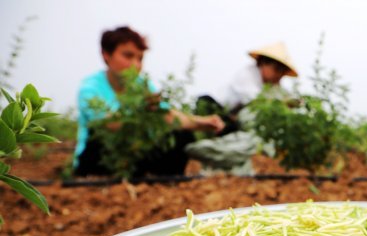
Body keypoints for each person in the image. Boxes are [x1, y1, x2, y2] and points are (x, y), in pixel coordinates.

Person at [73, 26, 225, 177]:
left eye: (140, 58)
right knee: (99, 137)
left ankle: (164, 182)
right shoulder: (90, 88)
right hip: (100, 159)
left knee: (180, 136)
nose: (136, 65)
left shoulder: (142, 85)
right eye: (128, 56)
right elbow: (108, 124)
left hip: (135, 155)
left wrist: (202, 122)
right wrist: (143, 110)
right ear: (106, 55)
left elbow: (167, 115)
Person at [187, 42, 298, 175]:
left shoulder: (270, 85)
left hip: (234, 121)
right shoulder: (247, 75)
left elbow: (286, 98)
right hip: (217, 112)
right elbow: (257, 102)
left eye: (283, 73)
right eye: (278, 70)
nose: (279, 77)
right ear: (263, 64)